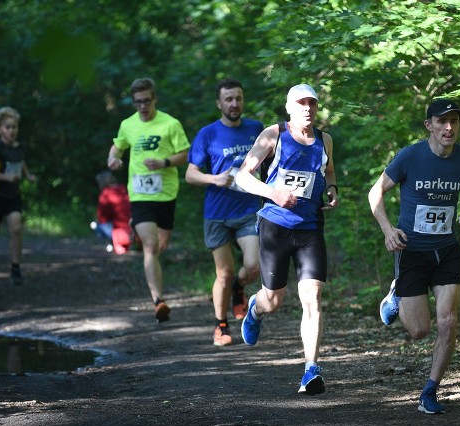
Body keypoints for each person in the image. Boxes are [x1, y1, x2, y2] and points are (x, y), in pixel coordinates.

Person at [367, 98, 460, 414]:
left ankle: (430, 391)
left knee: (448, 322)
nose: (449, 128)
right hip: (411, 251)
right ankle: (396, 292)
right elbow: (375, 192)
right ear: (429, 125)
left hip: (447, 251)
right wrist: (387, 230)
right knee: (420, 330)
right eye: (442, 121)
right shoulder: (410, 157)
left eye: (455, 122)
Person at [235, 83, 338, 395]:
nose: (308, 108)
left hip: (310, 229)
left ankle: (311, 369)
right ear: (290, 106)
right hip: (275, 227)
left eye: (312, 103)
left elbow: (330, 173)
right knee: (274, 300)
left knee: (313, 298)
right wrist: (273, 193)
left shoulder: (325, 140)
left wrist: (332, 190)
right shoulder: (274, 134)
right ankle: (255, 307)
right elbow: (242, 176)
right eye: (301, 103)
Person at [186, 78, 263, 346]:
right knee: (224, 272)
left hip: (248, 209)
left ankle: (239, 288)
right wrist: (214, 179)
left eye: (238, 98)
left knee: (254, 265)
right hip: (217, 213)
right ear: (219, 103)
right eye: (228, 99)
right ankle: (220, 326)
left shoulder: (256, 129)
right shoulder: (208, 134)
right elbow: (190, 175)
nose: (234, 103)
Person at [107, 77, 190, 323]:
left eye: (146, 101)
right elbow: (117, 148)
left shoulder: (170, 124)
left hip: (166, 193)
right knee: (150, 246)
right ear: (133, 102)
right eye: (138, 102)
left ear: (154, 99)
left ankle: (158, 292)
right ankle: (158, 300)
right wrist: (113, 159)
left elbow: (184, 154)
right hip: (140, 194)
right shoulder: (127, 125)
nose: (142, 106)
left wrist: (164, 162)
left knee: (160, 246)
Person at [0, 106, 36, 286]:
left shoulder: (20, 147)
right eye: (7, 127)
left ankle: (15, 269)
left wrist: (28, 175)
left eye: (14, 127)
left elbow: (20, 161)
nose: (11, 131)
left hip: (12, 195)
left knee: (16, 228)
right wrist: (6, 177)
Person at [91, 171, 132, 255]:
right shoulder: (124, 188)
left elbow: (102, 218)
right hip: (133, 228)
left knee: (96, 226)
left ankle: (111, 243)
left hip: (118, 230)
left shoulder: (105, 194)